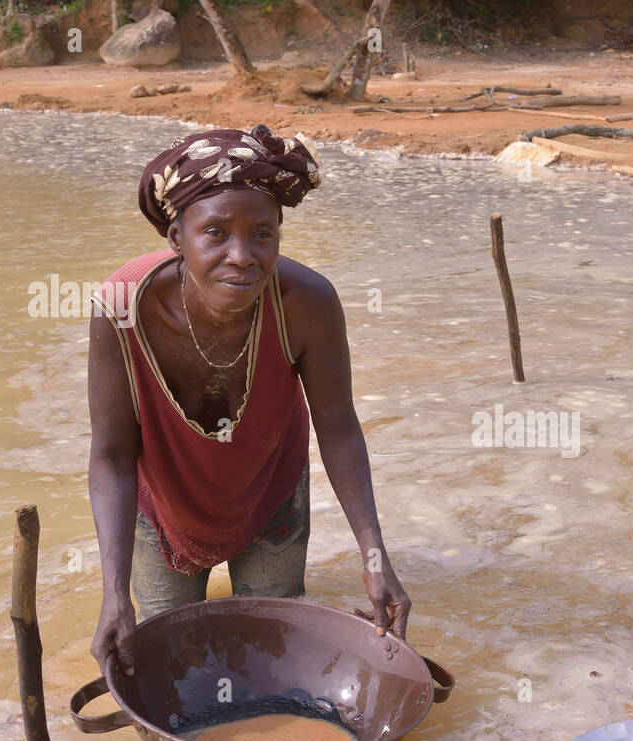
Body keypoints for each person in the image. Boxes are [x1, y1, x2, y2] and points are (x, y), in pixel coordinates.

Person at [87, 124, 409, 676]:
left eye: (262, 234)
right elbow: (113, 454)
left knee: (267, 660)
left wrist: (374, 558)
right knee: (173, 667)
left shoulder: (306, 303)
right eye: (215, 233)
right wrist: (114, 593)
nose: (242, 256)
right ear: (175, 238)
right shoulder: (122, 308)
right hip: (162, 511)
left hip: (271, 497)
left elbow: (337, 426)